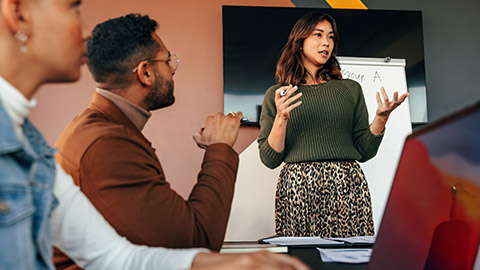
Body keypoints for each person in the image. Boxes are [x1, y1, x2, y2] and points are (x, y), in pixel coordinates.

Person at [0, 0, 309, 269]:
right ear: (145, 72)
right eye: (73, 6)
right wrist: (219, 148)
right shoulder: (105, 142)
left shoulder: (34, 145)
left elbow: (114, 256)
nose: (84, 32)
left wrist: (225, 263)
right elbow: (194, 241)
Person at [257, 11, 409, 238]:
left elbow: (364, 150)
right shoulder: (277, 95)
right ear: (300, 42)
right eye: (318, 35)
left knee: (351, 259)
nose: (326, 43)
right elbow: (270, 159)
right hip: (298, 187)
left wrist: (381, 117)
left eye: (331, 37)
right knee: (305, 260)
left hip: (347, 185)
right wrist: (281, 117)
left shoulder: (350, 89)